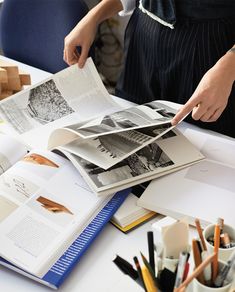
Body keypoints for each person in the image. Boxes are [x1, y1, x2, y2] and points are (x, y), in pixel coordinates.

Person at [63, 0, 235, 138]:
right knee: (129, 135)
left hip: (212, 53)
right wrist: (94, 16)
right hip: (142, 43)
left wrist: (229, 68)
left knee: (202, 146)